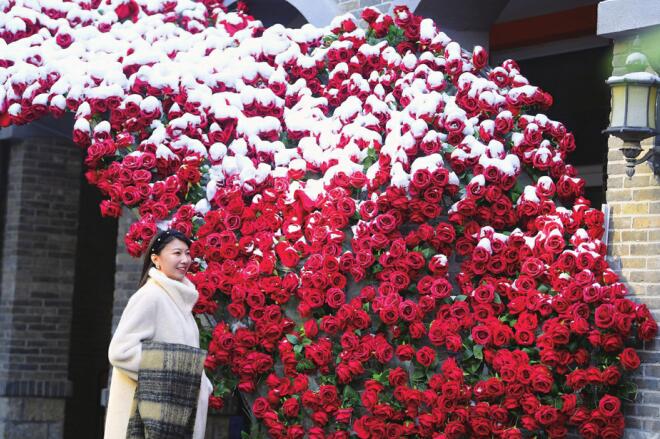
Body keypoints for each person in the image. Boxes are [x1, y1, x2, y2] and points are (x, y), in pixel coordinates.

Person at [104, 229, 213, 439]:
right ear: (156, 259)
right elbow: (120, 351)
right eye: (177, 253)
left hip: (174, 416)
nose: (185, 260)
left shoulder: (179, 301)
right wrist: (181, 374)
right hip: (146, 419)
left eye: (188, 253)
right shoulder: (151, 296)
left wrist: (201, 383)